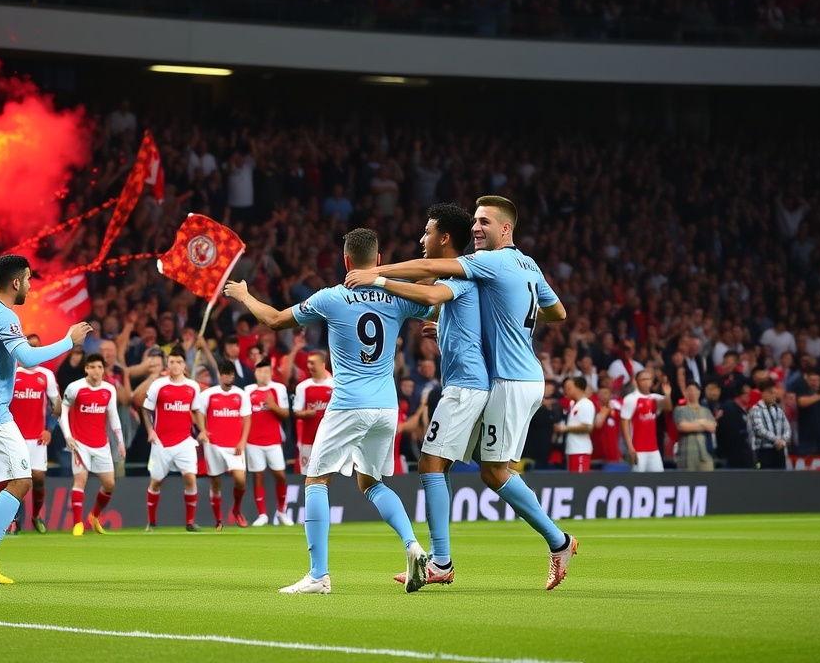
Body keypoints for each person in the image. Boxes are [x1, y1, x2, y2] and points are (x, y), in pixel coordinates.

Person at [346, 196, 577, 591]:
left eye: (484, 221)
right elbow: (558, 313)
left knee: (467, 468)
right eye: (475, 221)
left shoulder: (488, 262)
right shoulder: (528, 264)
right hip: (517, 377)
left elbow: (429, 275)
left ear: (506, 228)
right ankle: (452, 558)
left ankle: (554, 542)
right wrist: (480, 326)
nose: (476, 227)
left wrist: (375, 274)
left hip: (502, 381)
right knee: (480, 468)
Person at [226, 227, 433, 595]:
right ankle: (413, 546)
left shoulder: (332, 297)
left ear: (346, 261)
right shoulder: (397, 296)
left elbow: (273, 320)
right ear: (378, 260)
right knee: (371, 483)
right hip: (387, 407)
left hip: (349, 403)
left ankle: (319, 575)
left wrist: (244, 295)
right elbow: (437, 301)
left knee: (317, 480)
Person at [354, 203, 480, 587]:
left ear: (445, 238)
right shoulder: (463, 275)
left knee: (435, 465)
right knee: (474, 470)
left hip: (467, 387)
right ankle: (442, 560)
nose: (422, 238)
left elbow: (426, 290)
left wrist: (376, 276)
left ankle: (442, 561)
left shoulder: (460, 271)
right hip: (472, 383)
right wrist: (443, 330)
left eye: (427, 232)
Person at [0, 254, 90, 585]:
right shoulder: (3, 315)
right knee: (22, 481)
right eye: (27, 280)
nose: (29, 285)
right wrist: (69, 341)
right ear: (16, 282)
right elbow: (27, 358)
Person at [136, 346, 203, 533]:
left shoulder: (193, 386)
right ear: (167, 363)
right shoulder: (158, 385)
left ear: (184, 365)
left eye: (178, 362)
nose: (175, 365)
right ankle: (151, 522)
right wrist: (151, 431)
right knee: (156, 482)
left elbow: (196, 410)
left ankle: (190, 522)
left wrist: (202, 430)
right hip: (161, 442)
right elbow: (145, 409)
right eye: (172, 362)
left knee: (190, 478)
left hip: (185, 440)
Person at [59, 354, 125, 536]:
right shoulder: (75, 388)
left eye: (100, 367)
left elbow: (113, 416)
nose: (96, 370)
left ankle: (94, 516)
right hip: (79, 443)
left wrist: (120, 442)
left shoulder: (109, 390)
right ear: (86, 369)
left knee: (109, 484)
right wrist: (68, 436)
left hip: (101, 444)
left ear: (104, 370)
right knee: (80, 480)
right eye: (93, 367)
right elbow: (63, 411)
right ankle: (77, 524)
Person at [192, 359, 251, 530]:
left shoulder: (241, 395)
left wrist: (243, 441)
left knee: (240, 481)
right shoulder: (208, 395)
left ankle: (236, 509)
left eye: (230, 374)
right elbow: (199, 413)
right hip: (214, 445)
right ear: (219, 375)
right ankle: (218, 520)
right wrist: (203, 431)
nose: (228, 377)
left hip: (234, 446)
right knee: (215, 482)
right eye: (225, 374)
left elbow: (247, 419)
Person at [9, 352, 60, 533]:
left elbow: (57, 406)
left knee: (38, 478)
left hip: (37, 438)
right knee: (15, 480)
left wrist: (49, 429)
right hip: (14, 438)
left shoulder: (46, 375)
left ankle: (36, 515)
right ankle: (13, 521)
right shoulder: (12, 374)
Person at [245, 358, 292, 526]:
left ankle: (282, 512)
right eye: (259, 371)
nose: (263, 374)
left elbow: (285, 414)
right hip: (253, 441)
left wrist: (273, 406)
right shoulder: (248, 390)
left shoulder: (279, 389)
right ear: (255, 373)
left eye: (266, 371)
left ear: (270, 372)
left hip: (273, 440)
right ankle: (262, 515)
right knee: (258, 475)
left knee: (280, 475)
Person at [620, 370, 673, 472]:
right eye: (643, 379)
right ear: (637, 381)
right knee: (638, 478)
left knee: (658, 478)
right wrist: (630, 447)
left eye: (648, 379)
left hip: (654, 449)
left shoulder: (654, 398)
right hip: (637, 449)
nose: (646, 382)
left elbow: (668, 406)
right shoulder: (630, 399)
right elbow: (624, 423)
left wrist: (667, 394)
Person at [292, 351, 333, 473]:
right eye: (308, 363)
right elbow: (296, 412)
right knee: (308, 473)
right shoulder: (302, 387)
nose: (310, 366)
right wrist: (305, 414)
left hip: (330, 439)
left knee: (329, 473)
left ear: (322, 364)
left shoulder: (335, 385)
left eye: (313, 363)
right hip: (308, 439)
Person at [749, 379, 792, 470]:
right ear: (762, 393)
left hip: (780, 450)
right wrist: (776, 440)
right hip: (764, 451)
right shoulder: (755, 410)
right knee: (766, 476)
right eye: (770, 392)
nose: (773, 395)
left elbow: (787, 427)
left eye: (774, 393)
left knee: (781, 476)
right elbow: (759, 430)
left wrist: (783, 440)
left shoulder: (778, 410)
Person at [673, 380, 716, 471]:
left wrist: (696, 423)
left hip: (705, 453)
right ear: (685, 392)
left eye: (695, 389)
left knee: (708, 478)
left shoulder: (706, 410)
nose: (693, 392)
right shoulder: (680, 409)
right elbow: (683, 427)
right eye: (690, 390)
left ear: (699, 392)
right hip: (687, 452)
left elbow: (712, 427)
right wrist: (703, 423)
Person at [557, 377, 595, 472]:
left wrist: (566, 428)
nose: (567, 390)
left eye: (569, 388)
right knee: (572, 479)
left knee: (580, 480)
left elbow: (587, 427)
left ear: (578, 388)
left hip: (580, 450)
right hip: (571, 449)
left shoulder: (586, 404)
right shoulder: (572, 404)